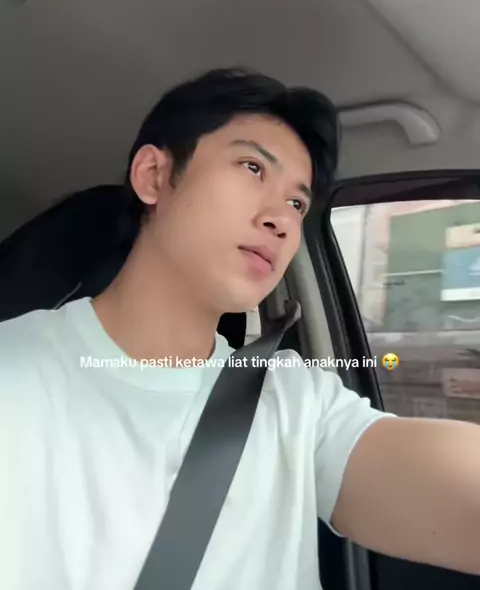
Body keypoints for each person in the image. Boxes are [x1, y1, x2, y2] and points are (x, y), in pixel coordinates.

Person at [0, 67, 479, 590]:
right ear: (154, 175)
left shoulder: (293, 400)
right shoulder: (15, 374)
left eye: (297, 203)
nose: (283, 220)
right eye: (252, 168)